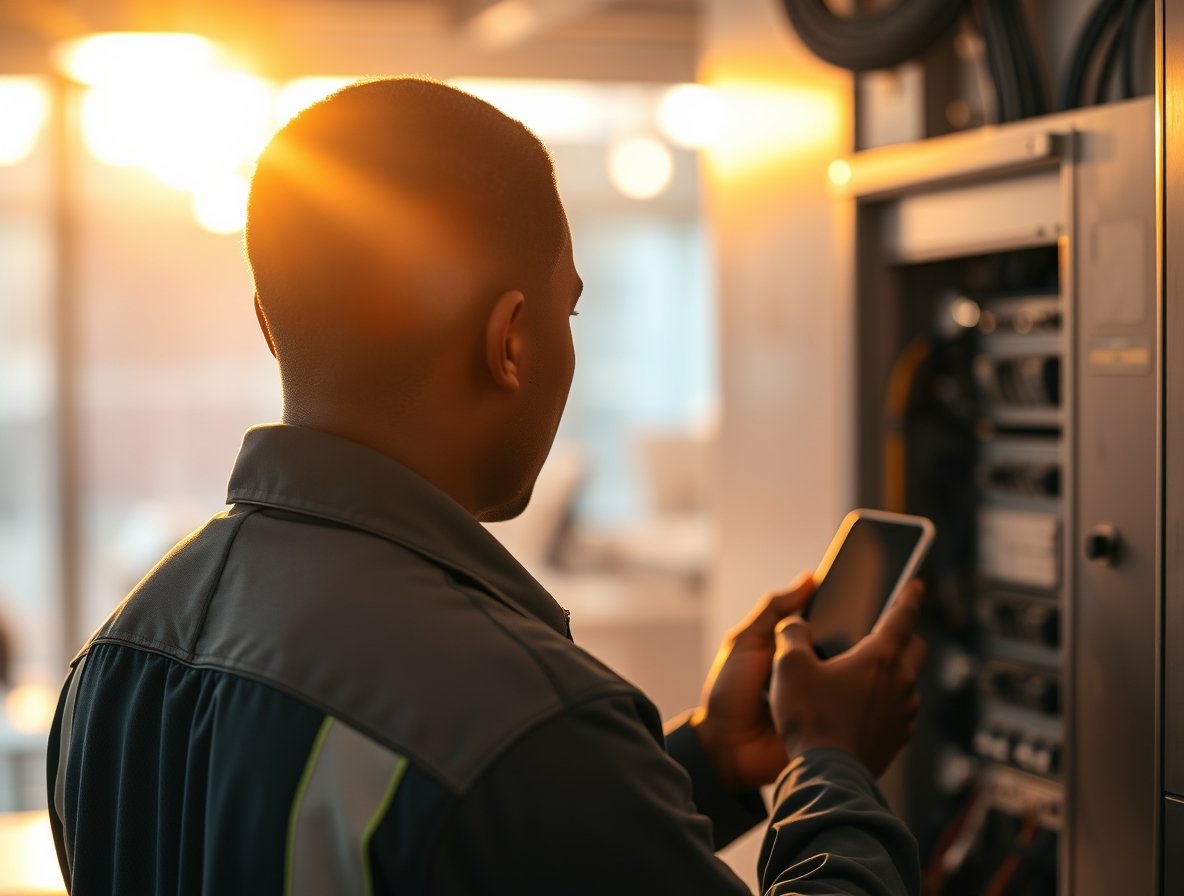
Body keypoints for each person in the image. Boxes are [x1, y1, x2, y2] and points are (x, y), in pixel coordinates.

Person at [46, 77, 927, 895]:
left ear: (270, 328)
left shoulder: (115, 662)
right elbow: (489, 788)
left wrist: (709, 761)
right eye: (568, 310)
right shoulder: (527, 717)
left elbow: (450, 840)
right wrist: (832, 762)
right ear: (509, 341)